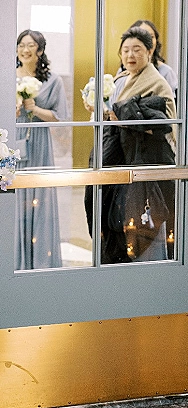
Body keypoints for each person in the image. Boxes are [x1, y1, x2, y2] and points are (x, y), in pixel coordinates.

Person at [86, 26, 176, 264]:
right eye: (125, 50)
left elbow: (163, 125)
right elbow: (114, 119)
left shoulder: (156, 84)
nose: (130, 55)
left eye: (137, 49)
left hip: (147, 165)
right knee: (119, 223)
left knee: (145, 224)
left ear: (149, 52)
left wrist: (123, 116)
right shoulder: (121, 80)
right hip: (121, 163)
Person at [15, 29, 68, 269]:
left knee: (41, 197)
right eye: (21, 45)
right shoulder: (8, 76)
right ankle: (17, 259)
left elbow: (60, 119)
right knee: (14, 197)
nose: (25, 50)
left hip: (40, 144)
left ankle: (41, 260)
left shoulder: (53, 81)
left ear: (40, 50)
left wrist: (33, 108)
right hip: (14, 142)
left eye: (31, 45)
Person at [129, 18, 178, 96]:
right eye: (142, 36)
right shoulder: (123, 71)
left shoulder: (166, 72)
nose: (148, 41)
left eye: (151, 37)